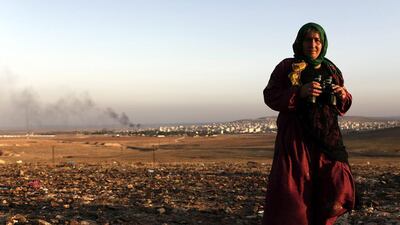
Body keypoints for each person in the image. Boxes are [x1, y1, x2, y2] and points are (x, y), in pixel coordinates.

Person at [261, 22, 355, 225]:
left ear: (323, 43)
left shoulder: (331, 68)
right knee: (294, 195)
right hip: (296, 139)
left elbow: (342, 104)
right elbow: (270, 95)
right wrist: (299, 92)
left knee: (334, 187)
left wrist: (342, 94)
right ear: (300, 42)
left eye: (317, 40)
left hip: (327, 139)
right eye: (308, 39)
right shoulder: (287, 66)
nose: (313, 44)